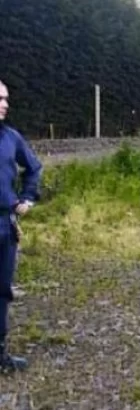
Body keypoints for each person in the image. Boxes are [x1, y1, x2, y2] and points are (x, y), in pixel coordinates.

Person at [0, 80, 43, 373]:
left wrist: (26, 198)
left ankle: (0, 356)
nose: (5, 104)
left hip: (4, 225)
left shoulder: (10, 138)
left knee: (1, 291)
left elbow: (34, 167)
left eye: (6, 99)